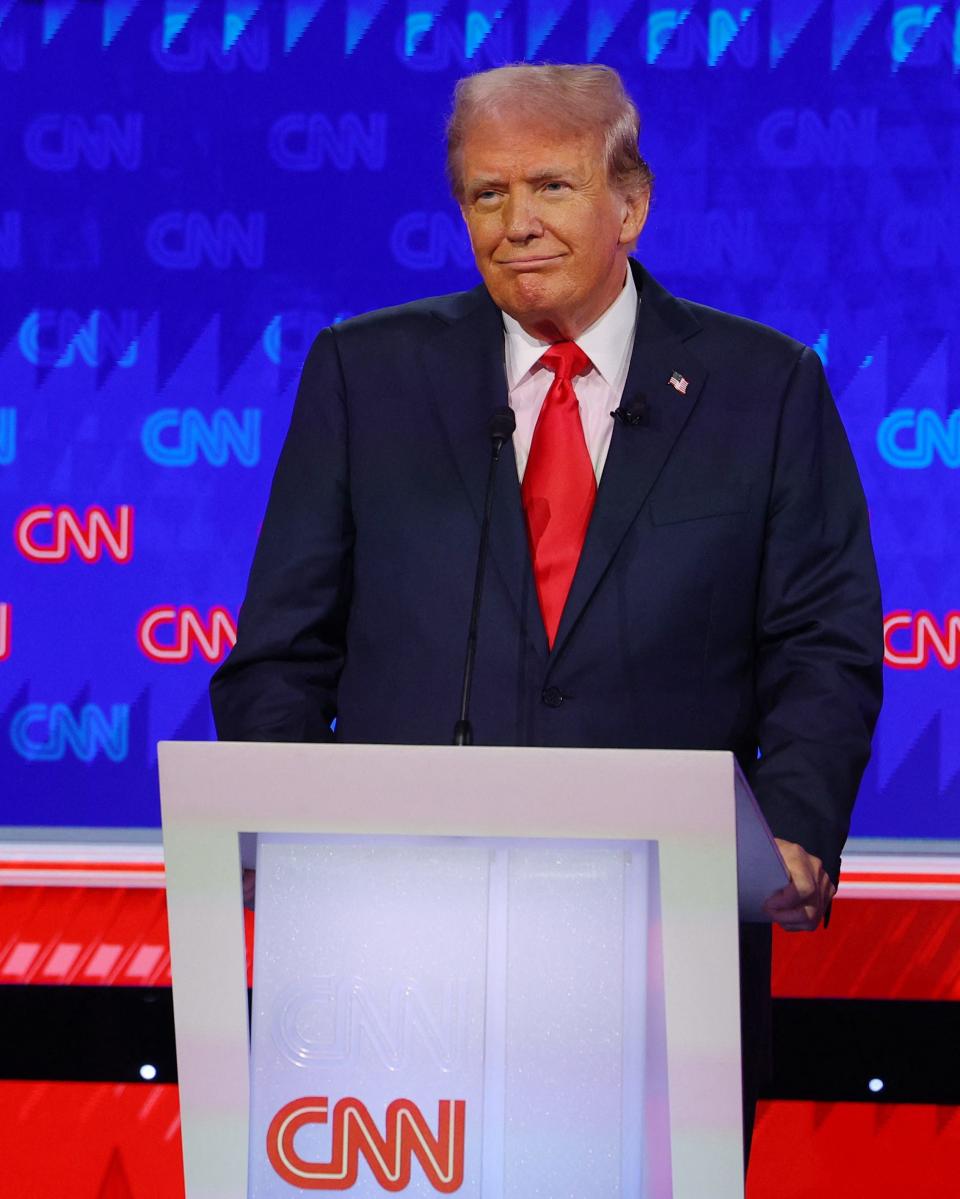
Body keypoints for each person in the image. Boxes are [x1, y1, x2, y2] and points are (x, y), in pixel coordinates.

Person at [210, 63, 883, 1157]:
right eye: (486, 195)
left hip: (663, 939)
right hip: (391, 945)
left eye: (551, 188)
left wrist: (797, 823)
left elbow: (823, 638)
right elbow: (281, 649)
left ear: (632, 202)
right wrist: (296, 854)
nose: (516, 223)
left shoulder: (764, 389)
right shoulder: (365, 374)